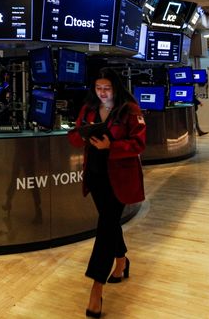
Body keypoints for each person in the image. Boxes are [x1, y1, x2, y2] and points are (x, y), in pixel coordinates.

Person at [67, 68, 146, 318]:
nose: (102, 93)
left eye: (107, 88)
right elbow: (75, 136)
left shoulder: (130, 110)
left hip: (120, 178)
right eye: (98, 88)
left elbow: (139, 143)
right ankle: (121, 260)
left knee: (105, 228)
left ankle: (96, 288)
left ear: (116, 88)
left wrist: (112, 145)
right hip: (96, 176)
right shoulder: (89, 107)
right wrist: (81, 135)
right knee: (110, 223)